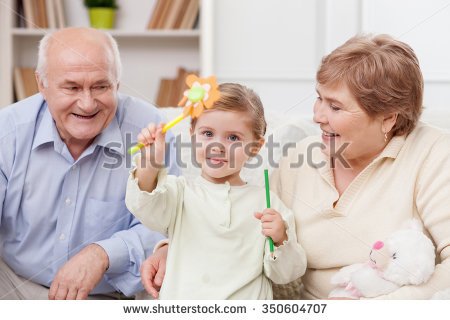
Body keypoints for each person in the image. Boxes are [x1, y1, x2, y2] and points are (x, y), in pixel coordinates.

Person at [141, 34, 450, 299]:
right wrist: (171, 247)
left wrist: (372, 310)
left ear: (388, 119)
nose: (318, 116)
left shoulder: (433, 153)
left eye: (335, 107)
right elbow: (242, 218)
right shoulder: (302, 157)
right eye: (319, 99)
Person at [0, 27, 179, 299]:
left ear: (117, 84)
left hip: (106, 297)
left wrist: (103, 253)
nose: (87, 103)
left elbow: (170, 227)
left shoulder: (152, 131)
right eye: (71, 87)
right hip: (14, 283)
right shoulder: (7, 132)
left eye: (101, 86)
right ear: (42, 84)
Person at [125, 83, 307, 299]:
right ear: (192, 135)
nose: (217, 146)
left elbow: (286, 274)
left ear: (255, 147)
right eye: (208, 133)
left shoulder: (268, 204)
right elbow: (144, 207)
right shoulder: (178, 192)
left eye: (233, 138)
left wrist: (280, 238)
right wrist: (150, 163)